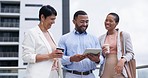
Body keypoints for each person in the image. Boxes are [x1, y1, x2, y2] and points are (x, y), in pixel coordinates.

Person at [58, 10, 103, 78]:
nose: (85, 24)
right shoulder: (64, 38)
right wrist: (71, 59)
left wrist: (97, 60)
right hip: (71, 75)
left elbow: (102, 58)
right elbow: (59, 59)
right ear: (74, 21)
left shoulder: (94, 38)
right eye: (82, 21)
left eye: (87, 21)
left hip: (90, 75)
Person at [22, 5, 63, 78]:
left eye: (54, 19)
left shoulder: (50, 33)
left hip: (53, 74)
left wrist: (56, 57)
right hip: (38, 74)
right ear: (42, 17)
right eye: (52, 19)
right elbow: (26, 56)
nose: (53, 22)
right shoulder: (31, 33)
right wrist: (50, 56)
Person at [99, 12, 134, 78]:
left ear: (116, 23)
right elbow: (100, 57)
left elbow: (131, 53)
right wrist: (103, 53)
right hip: (105, 70)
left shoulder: (124, 35)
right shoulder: (100, 38)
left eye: (111, 21)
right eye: (106, 20)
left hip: (120, 70)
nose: (107, 22)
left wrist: (122, 60)